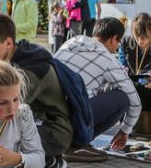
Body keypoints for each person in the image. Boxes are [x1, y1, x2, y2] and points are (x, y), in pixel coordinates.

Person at [0, 13, 71, 168]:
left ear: (8, 43)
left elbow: (1, 110)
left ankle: (50, 160)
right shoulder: (11, 61)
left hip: (55, 132)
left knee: (2, 133)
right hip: (36, 122)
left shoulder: (30, 70)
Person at [55, 17, 140, 160]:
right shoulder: (107, 59)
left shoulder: (69, 43)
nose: (116, 48)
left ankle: (67, 141)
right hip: (71, 118)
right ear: (114, 39)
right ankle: (77, 144)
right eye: (118, 43)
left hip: (47, 116)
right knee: (122, 98)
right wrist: (125, 130)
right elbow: (135, 101)